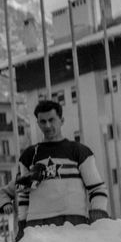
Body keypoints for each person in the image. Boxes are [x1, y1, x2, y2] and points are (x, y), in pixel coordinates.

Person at [15, 100, 109, 234]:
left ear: (62, 120)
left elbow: (97, 188)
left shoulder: (80, 151)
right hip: (37, 226)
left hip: (73, 222)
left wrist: (98, 217)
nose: (47, 125)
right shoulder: (29, 155)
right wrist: (22, 226)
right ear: (37, 124)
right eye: (43, 121)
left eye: (51, 120)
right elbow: (23, 196)